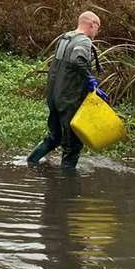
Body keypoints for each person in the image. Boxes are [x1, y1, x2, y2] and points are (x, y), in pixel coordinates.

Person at [27, 11, 102, 170]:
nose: (97, 32)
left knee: (54, 137)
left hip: (53, 96)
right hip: (68, 100)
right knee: (72, 145)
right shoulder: (84, 42)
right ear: (92, 25)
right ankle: (66, 186)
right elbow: (77, 59)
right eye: (98, 28)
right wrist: (89, 79)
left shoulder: (65, 37)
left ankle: (30, 162)